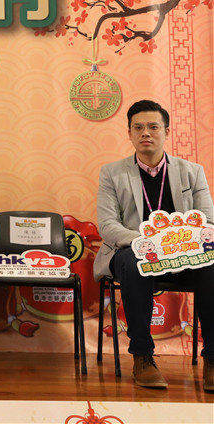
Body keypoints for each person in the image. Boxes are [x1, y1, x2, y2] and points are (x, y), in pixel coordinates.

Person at [93, 99, 214, 392]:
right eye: (138, 127)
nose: (145, 133)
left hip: (182, 254)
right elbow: (108, 226)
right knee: (137, 263)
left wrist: (181, 245)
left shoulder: (192, 171)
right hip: (132, 251)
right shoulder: (112, 173)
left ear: (166, 132)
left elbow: (208, 221)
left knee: (212, 264)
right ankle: (143, 356)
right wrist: (148, 243)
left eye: (153, 127)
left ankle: (212, 357)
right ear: (130, 133)